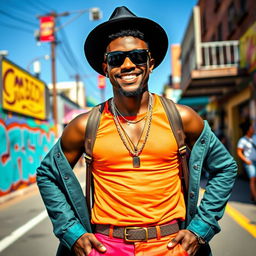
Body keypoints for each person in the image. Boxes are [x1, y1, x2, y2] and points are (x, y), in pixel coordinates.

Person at [36, 6, 237, 256]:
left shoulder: (182, 118)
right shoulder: (85, 125)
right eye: (116, 59)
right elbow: (47, 174)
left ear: (150, 63)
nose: (128, 65)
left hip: (171, 247)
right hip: (105, 247)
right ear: (106, 68)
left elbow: (225, 167)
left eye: (137, 56)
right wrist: (70, 232)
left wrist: (201, 228)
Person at [237, 120, 256, 203]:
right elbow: (239, 152)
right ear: (248, 129)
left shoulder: (255, 137)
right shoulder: (242, 140)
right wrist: (246, 160)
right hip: (250, 162)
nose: (253, 128)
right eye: (251, 127)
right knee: (253, 178)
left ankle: (253, 195)